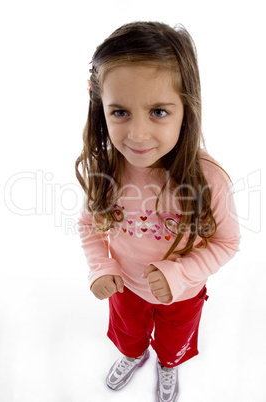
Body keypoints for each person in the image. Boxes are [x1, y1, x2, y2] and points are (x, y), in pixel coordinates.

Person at [75, 21, 240, 402]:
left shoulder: (209, 179)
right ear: (102, 109)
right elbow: (88, 226)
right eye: (120, 112)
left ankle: (168, 365)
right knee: (128, 335)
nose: (137, 134)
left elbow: (227, 241)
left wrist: (180, 272)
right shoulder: (107, 170)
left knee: (174, 342)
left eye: (159, 112)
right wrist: (101, 266)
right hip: (125, 289)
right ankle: (134, 355)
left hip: (183, 294)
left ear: (187, 107)